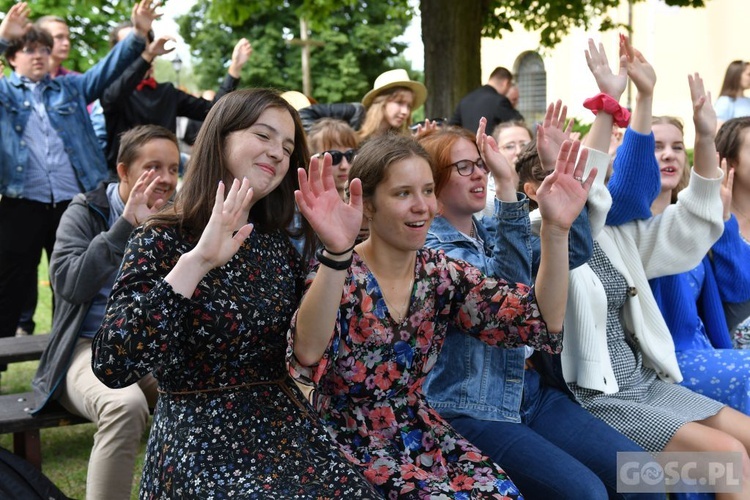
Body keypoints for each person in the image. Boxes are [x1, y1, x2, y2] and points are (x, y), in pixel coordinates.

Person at [91, 89, 379, 498]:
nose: (278, 153)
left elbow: (308, 352)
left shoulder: (275, 244)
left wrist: (337, 253)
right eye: (263, 136)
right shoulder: (161, 237)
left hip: (280, 426)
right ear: (221, 137)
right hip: (198, 439)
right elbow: (112, 364)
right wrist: (198, 261)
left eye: (287, 146)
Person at [288, 130, 594, 497]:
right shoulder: (340, 271)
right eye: (403, 193)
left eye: (428, 190)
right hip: (347, 439)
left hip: (425, 429)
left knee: (512, 493)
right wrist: (336, 254)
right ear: (367, 203)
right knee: (587, 492)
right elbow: (306, 354)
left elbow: (538, 321)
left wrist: (557, 230)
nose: (423, 206)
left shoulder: (439, 272)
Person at [551, 36, 750, 499]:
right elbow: (602, 187)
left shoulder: (617, 235)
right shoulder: (545, 235)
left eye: (675, 147)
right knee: (728, 464)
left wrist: (702, 136)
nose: (572, 181)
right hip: (604, 397)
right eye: (557, 172)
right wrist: (617, 106)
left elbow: (696, 221)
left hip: (648, 380)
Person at [0, 1, 156, 375]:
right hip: (21, 203)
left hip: (73, 205)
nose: (38, 55)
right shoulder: (5, 94)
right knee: (10, 284)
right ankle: (2, 360)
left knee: (76, 280)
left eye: (43, 48)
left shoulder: (70, 88)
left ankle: (67, 357)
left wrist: (137, 35)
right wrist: (3, 34)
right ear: (11, 59)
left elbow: (107, 71)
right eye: (27, 49)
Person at [32, 125, 179, 500]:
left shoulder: (176, 218)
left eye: (174, 169)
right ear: (123, 171)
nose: (165, 179)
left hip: (147, 349)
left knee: (205, 394)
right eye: (153, 167)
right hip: (84, 346)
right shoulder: (85, 211)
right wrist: (124, 227)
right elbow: (69, 286)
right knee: (124, 406)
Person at [101, 21, 252, 170]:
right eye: (130, 45)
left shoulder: (167, 92)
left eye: (142, 43)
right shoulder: (111, 90)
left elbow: (213, 110)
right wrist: (147, 55)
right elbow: (112, 97)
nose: (137, 50)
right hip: (121, 184)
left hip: (164, 182)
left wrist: (234, 69)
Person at [715, 116, 750, 348]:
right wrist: (724, 220)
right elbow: (735, 290)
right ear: (730, 162)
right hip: (734, 361)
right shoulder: (712, 224)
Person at [480, 119, 535, 216]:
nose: (518, 151)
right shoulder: (486, 196)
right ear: (495, 151)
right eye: (509, 146)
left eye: (524, 144)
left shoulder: (541, 182)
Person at [450, 66, 524, 136]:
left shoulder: (465, 100)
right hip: (489, 147)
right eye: (510, 85)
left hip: (469, 148)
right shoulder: (500, 101)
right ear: (506, 83)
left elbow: (451, 127)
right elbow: (519, 122)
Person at [358, 68, 426, 141]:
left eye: (409, 106)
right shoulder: (353, 139)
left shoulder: (404, 143)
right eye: (399, 102)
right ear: (381, 102)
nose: (405, 111)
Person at [307, 118, 359, 201]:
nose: (344, 165)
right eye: (333, 157)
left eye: (350, 155)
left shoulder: (368, 204)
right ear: (312, 160)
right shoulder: (299, 207)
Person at [715, 60, 750, 125]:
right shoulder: (724, 102)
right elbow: (718, 130)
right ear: (737, 75)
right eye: (749, 74)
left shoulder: (748, 101)